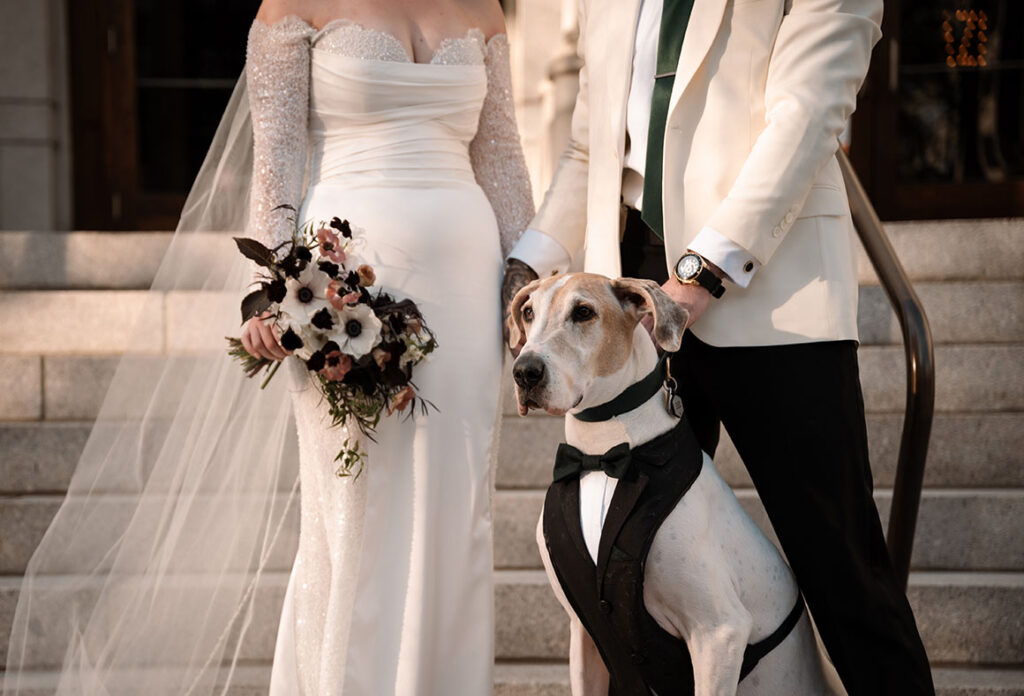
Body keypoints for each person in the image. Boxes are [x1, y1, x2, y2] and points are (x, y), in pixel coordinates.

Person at [4, 1, 533, 695]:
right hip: (343, 286)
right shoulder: (295, 5)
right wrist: (274, 293)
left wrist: (533, 294)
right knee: (352, 513)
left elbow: (503, 164)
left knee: (457, 511)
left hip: (468, 286)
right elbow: (276, 163)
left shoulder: (482, 10)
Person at [502, 0, 935, 693]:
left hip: (773, 299)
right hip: (631, 315)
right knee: (623, 580)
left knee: (842, 571)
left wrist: (699, 276)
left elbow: (807, 116)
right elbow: (591, 148)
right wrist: (522, 267)